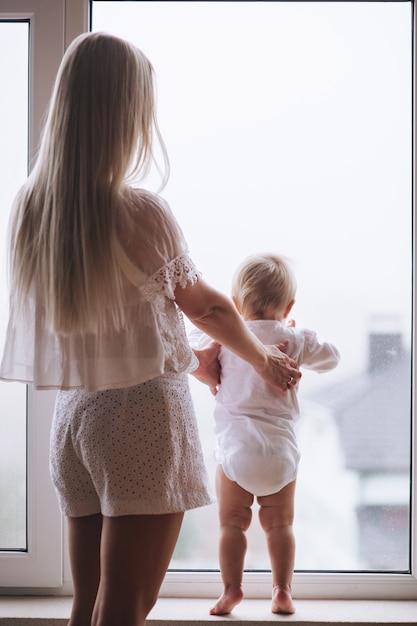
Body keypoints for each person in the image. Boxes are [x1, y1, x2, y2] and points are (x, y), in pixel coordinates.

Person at [0, 33, 301, 626]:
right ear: (125, 111)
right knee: (125, 611)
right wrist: (264, 361)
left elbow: (108, 326)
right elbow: (207, 307)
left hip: (75, 423)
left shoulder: (33, 208)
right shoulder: (139, 211)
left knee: (89, 607)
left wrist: (191, 357)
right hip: (139, 421)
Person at [190, 253, 340, 616]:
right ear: (288, 305)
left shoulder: (226, 338)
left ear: (236, 304)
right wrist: (296, 333)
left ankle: (231, 589)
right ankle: (282, 591)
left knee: (232, 524)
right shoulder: (294, 339)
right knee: (280, 525)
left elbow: (191, 341)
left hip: (236, 452)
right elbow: (332, 358)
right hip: (279, 456)